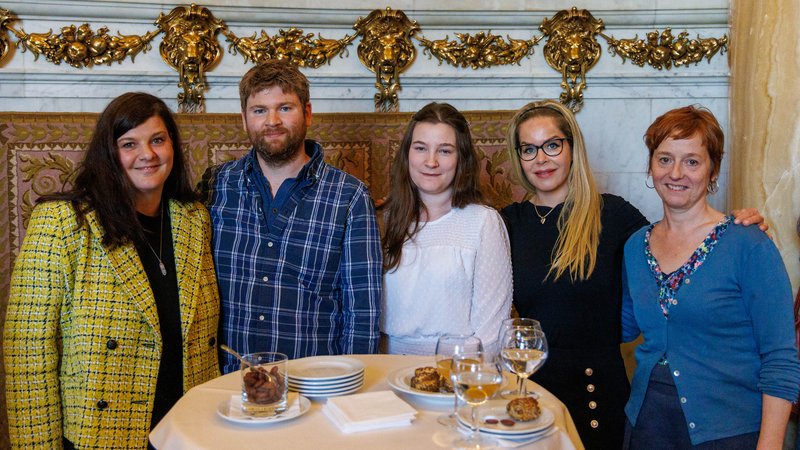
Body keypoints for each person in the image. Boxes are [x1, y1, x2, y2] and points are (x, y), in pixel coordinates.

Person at [501, 99, 767, 450]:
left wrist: (735, 229)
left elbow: (681, 251)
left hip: (598, 390)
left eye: (552, 145)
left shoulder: (612, 215)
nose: (541, 158)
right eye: (528, 149)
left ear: (572, 147)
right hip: (530, 387)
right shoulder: (506, 223)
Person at [3, 92, 220, 448]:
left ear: (173, 147)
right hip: (103, 432)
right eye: (129, 144)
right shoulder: (64, 223)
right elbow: (28, 352)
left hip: (187, 429)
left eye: (157, 140)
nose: (147, 155)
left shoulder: (194, 220)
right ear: (110, 153)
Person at [621, 105, 800, 448]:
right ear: (651, 165)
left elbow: (780, 358)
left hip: (730, 432)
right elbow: (621, 325)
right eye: (664, 159)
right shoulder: (634, 246)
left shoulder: (747, 243)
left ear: (712, 169)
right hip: (647, 427)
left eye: (692, 161)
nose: (676, 173)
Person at [199, 61, 382, 373]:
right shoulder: (216, 186)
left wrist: (349, 387)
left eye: (285, 108)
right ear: (244, 120)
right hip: (225, 380)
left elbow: (361, 312)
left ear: (307, 114)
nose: (272, 121)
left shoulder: (350, 197)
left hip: (313, 380)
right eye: (259, 111)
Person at [380, 102, 512, 355]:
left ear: (461, 158)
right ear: (407, 154)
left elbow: (492, 331)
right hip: (386, 367)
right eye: (420, 148)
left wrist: (460, 381)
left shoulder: (483, 222)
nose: (431, 162)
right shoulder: (382, 220)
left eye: (444, 151)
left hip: (456, 371)